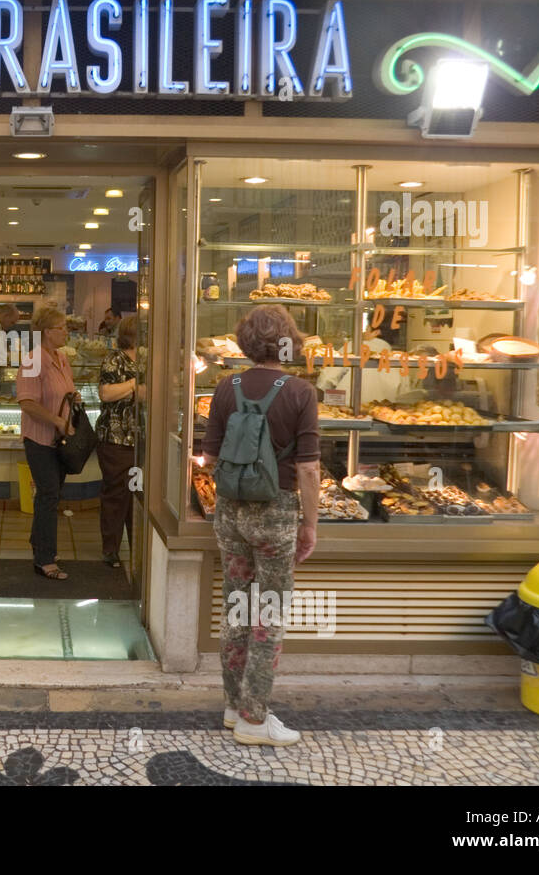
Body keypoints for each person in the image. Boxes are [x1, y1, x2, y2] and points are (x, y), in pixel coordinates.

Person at [202, 304, 320, 748]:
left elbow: (209, 458)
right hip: (276, 513)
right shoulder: (299, 392)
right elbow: (308, 469)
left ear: (246, 342)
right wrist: (310, 525)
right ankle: (255, 718)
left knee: (237, 606)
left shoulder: (225, 386)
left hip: (230, 512)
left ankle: (234, 706)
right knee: (267, 614)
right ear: (287, 340)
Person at [16, 306, 77, 581]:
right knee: (49, 494)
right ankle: (44, 558)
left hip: (59, 441)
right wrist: (56, 420)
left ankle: (40, 545)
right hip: (39, 440)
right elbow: (27, 402)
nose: (66, 331)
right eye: (61, 327)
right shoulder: (32, 360)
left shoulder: (62, 359)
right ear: (46, 332)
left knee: (50, 495)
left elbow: (67, 392)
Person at [95, 316, 142, 568]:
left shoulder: (148, 360)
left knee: (138, 495)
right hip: (115, 438)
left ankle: (138, 548)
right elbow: (106, 393)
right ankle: (110, 550)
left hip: (141, 439)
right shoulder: (114, 359)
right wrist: (135, 386)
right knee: (116, 494)